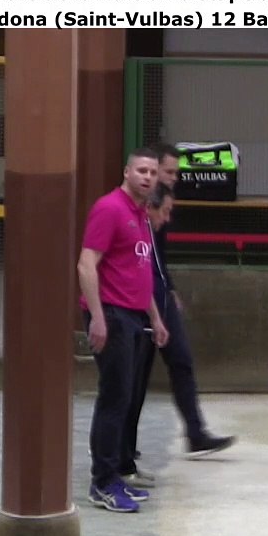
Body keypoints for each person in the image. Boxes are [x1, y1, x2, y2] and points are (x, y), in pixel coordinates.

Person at [122, 147, 236, 488]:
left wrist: (168, 292)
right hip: (139, 301)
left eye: (172, 174)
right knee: (133, 380)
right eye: (167, 173)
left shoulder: (159, 214)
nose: (172, 179)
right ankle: (123, 450)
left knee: (180, 360)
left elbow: (158, 261)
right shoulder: (137, 214)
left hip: (158, 296)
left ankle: (195, 432)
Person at [78, 147, 169, 513]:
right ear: (127, 172)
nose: (148, 177)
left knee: (126, 398)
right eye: (141, 171)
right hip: (112, 316)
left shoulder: (141, 214)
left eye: (152, 172)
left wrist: (156, 318)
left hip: (134, 316)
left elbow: (139, 271)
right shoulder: (110, 209)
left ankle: (114, 476)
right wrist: (98, 318)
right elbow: (86, 265)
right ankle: (102, 482)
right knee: (114, 399)